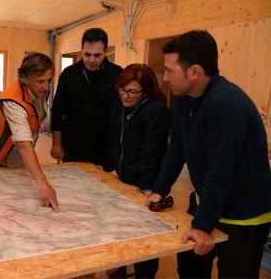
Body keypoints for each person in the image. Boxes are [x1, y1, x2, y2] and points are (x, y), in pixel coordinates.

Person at [147, 30, 271, 278]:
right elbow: (178, 148)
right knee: (190, 268)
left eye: (170, 71)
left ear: (193, 72)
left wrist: (202, 225)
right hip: (209, 201)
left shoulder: (226, 104)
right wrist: (160, 188)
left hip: (244, 215)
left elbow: (220, 169)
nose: (166, 78)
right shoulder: (186, 98)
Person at [103, 64, 172, 279]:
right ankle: (124, 268)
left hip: (147, 182)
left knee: (147, 236)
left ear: (147, 91)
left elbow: (151, 151)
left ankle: (145, 275)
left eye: (132, 92)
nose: (125, 96)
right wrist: (106, 168)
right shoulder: (120, 104)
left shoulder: (157, 111)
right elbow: (113, 137)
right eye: (122, 90)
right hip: (125, 179)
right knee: (124, 229)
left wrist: (148, 188)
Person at [0, 52, 58, 212]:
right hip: (6, 155)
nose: (47, 87)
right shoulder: (13, 101)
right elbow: (24, 145)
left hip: (23, 156)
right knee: (11, 205)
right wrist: (44, 185)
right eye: (41, 81)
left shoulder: (38, 90)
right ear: (26, 79)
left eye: (49, 80)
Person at [50, 28, 123, 165]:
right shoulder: (68, 74)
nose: (91, 60)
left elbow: (121, 113)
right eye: (87, 54)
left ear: (105, 51)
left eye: (97, 55)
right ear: (81, 50)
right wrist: (56, 144)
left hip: (105, 148)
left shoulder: (117, 74)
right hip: (73, 147)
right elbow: (58, 111)